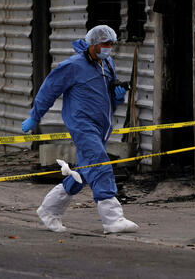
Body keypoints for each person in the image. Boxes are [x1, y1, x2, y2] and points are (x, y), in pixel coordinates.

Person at [21, 24, 139, 234]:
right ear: (92, 44)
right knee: (101, 163)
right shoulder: (73, 66)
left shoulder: (107, 63)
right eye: (105, 44)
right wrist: (34, 116)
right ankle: (112, 218)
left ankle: (49, 210)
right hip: (82, 125)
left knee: (83, 173)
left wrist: (119, 94)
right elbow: (49, 89)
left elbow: (110, 95)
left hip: (102, 126)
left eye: (111, 44)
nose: (109, 47)